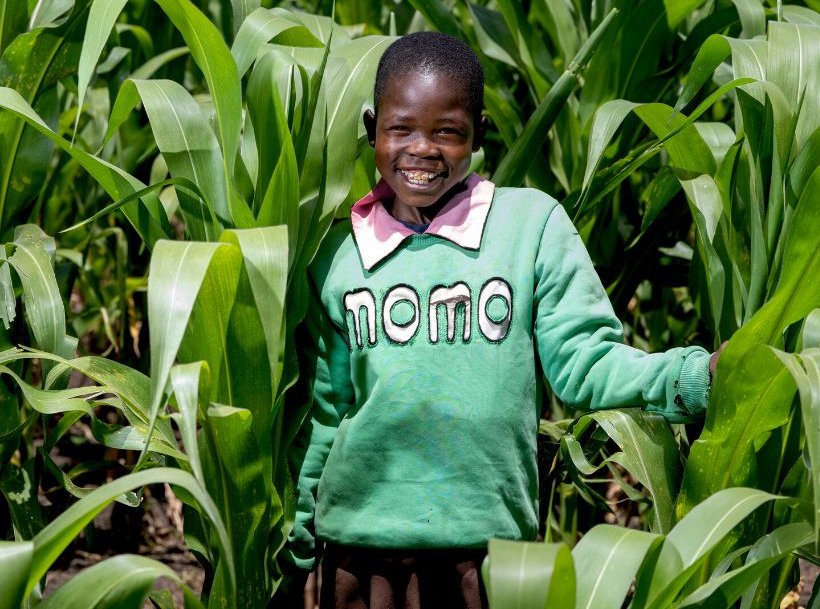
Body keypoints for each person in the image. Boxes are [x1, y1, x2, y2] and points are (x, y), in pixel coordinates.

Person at [283, 32, 720, 609]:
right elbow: (325, 413)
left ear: (479, 134)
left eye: (448, 131)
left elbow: (586, 363)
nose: (422, 150)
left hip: (485, 553)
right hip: (360, 551)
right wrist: (301, 544)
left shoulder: (530, 227)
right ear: (371, 129)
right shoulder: (338, 253)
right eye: (401, 129)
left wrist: (694, 377)